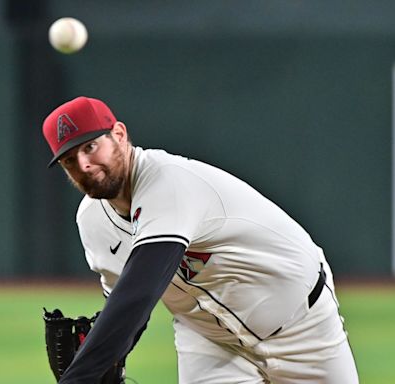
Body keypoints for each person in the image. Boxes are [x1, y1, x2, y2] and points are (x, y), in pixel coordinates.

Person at [42, 96, 360, 384]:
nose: (83, 164)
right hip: (210, 342)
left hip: (301, 326)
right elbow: (123, 308)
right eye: (70, 160)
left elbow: (138, 293)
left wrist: (79, 376)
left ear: (120, 136)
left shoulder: (167, 181)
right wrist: (105, 358)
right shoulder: (91, 220)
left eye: (90, 147)